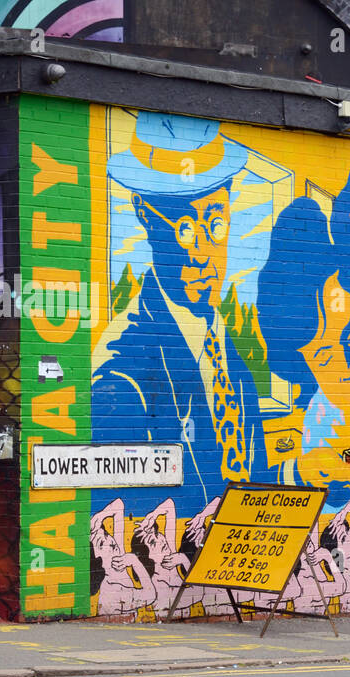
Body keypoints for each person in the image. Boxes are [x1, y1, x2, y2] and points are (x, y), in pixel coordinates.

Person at [93, 111, 262, 518]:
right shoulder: (120, 374)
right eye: (185, 229)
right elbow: (124, 518)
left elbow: (250, 472)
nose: (202, 252)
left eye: (216, 225)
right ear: (146, 217)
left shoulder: (224, 353)